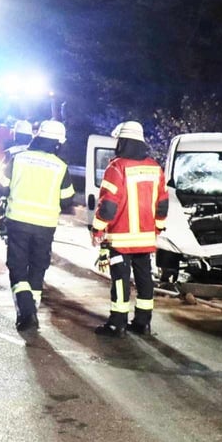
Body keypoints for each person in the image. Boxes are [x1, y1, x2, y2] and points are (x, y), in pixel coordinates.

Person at [90, 121, 168, 337]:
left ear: (122, 142)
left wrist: (97, 231)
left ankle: (117, 324)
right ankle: (143, 322)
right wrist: (158, 228)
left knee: (121, 281)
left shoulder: (116, 167)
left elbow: (108, 206)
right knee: (145, 280)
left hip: (121, 240)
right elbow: (162, 203)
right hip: (146, 239)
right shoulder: (155, 167)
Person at [0, 120, 75, 332]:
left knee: (18, 267)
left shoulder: (18, 159)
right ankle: (32, 310)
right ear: (58, 143)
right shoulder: (61, 167)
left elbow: (1, 187)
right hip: (45, 226)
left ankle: (27, 311)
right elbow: (67, 199)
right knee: (38, 267)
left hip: (19, 222)